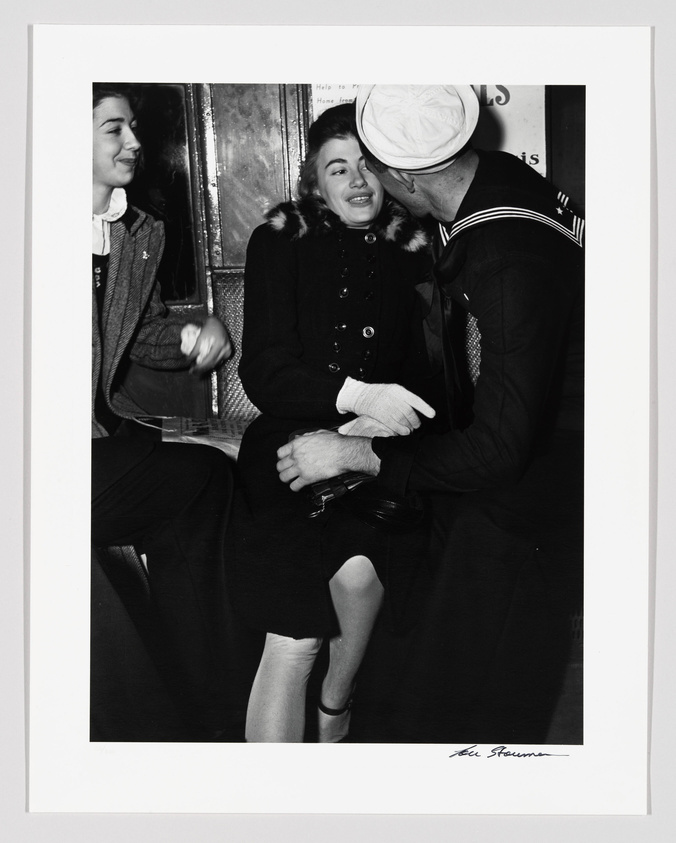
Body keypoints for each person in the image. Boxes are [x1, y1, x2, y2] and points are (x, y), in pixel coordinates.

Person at [277, 85, 584, 743]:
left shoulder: (503, 254)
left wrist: (361, 453)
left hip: (556, 471)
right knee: (411, 630)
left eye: (375, 168)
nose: (368, 182)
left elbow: (503, 449)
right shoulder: (499, 182)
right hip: (528, 443)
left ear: (407, 177)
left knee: (450, 694)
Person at [231, 103, 435, 742]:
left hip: (379, 448)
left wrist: (375, 429)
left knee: (361, 572)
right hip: (287, 449)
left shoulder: (418, 251)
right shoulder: (279, 242)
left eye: (368, 166)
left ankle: (335, 706)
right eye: (337, 169)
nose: (356, 183)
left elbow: (433, 381)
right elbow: (263, 371)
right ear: (313, 183)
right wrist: (356, 396)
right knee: (294, 638)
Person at [91, 84, 235, 738]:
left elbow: (135, 328)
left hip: (94, 440)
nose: (135, 143)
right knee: (195, 480)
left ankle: (199, 706)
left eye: (133, 128)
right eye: (113, 128)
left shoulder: (131, 230)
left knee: (203, 481)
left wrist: (193, 333)